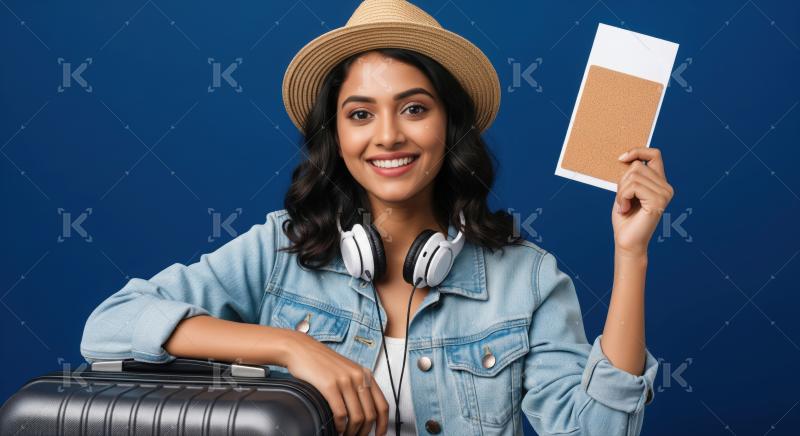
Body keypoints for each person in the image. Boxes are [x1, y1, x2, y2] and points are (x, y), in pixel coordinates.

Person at [80, 1, 673, 435]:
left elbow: (599, 431)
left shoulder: (528, 278)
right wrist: (289, 347)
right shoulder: (279, 251)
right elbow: (109, 326)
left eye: (413, 108)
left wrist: (631, 254)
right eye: (360, 114)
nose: (387, 136)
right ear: (336, 136)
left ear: (450, 124)